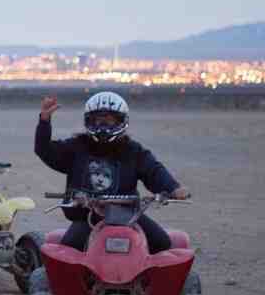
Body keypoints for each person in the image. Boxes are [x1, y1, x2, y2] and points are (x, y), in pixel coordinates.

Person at [34, 91, 190, 254]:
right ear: (88, 121)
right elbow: (45, 150)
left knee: (161, 242)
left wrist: (173, 188)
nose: (103, 126)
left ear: (121, 121)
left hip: (127, 214)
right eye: (97, 120)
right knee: (69, 248)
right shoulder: (76, 147)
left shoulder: (133, 151)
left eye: (109, 120)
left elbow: (154, 171)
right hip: (88, 215)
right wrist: (44, 121)